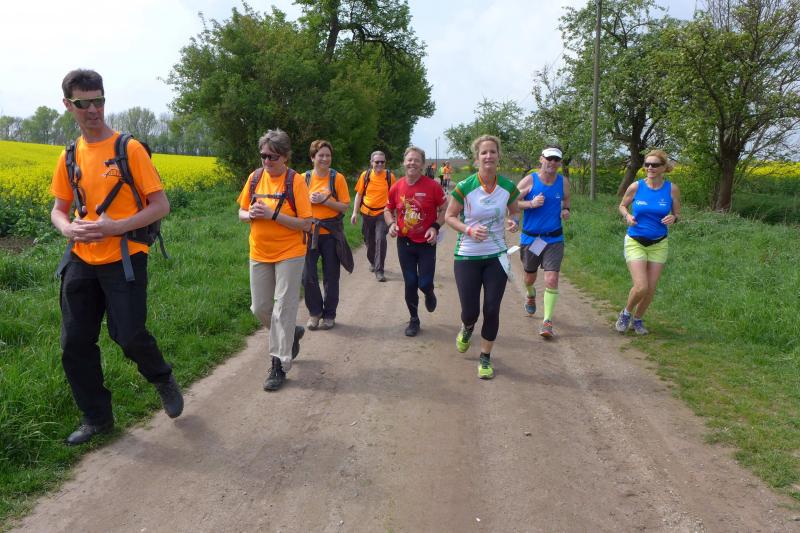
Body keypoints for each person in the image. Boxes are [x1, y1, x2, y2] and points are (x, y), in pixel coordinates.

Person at [50, 69, 183, 446]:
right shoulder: (69, 155)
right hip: (81, 257)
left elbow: (160, 205)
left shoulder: (129, 149)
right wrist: (67, 229)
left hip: (125, 256)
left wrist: (116, 227)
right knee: (75, 343)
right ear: (68, 105)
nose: (93, 109)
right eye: (84, 103)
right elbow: (58, 209)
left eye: (99, 100)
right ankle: (97, 418)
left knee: (127, 334)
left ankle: (162, 378)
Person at [238, 129, 312, 391]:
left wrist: (272, 215)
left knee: (283, 309)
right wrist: (250, 215)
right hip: (259, 251)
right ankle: (290, 332)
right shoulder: (255, 178)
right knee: (259, 307)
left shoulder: (296, 182)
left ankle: (278, 365)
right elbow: (241, 211)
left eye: (273, 157)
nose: (267, 161)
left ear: (285, 157)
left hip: (290, 252)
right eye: (263, 156)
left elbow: (306, 223)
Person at [445, 134, 520, 380]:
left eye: (492, 152)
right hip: (467, 256)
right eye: (484, 152)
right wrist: (468, 229)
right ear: (477, 158)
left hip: (496, 256)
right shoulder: (465, 186)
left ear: (499, 156)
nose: (488, 156)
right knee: (470, 312)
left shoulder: (507, 187)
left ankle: (485, 357)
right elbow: (449, 217)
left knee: (492, 308)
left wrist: (514, 221)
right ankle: (467, 327)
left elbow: (515, 211)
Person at [615, 149, 681, 335]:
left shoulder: (672, 189)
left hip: (659, 244)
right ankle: (625, 314)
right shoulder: (636, 186)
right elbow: (622, 205)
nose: (650, 167)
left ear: (664, 168)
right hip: (635, 241)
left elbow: (677, 214)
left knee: (650, 289)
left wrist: (674, 218)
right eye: (647, 164)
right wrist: (627, 216)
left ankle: (638, 319)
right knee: (641, 286)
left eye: (655, 165)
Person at [385, 146, 447, 336]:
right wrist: (391, 224)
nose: (412, 163)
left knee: (424, 282)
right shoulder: (396, 187)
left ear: (422, 164)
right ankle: (414, 320)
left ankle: (429, 292)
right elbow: (387, 209)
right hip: (405, 242)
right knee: (410, 282)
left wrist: (435, 227)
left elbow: (445, 209)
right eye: (409, 159)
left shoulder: (433, 186)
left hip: (427, 244)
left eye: (416, 160)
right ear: (404, 162)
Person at [516, 145, 571, 339]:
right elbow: (511, 203)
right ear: (541, 159)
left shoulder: (563, 182)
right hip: (531, 238)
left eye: (556, 160)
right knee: (529, 278)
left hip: (554, 238)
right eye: (549, 158)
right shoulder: (529, 180)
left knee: (551, 279)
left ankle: (547, 321)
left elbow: (566, 200)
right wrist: (530, 203)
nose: (552, 163)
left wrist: (566, 210)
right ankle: (531, 295)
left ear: (560, 163)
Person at [302, 140, 352, 331]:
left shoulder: (337, 178)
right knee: (307, 276)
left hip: (331, 234)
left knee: (331, 276)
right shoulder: (303, 179)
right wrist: (308, 200)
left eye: (328, 155)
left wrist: (325, 201)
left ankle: (329, 315)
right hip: (309, 233)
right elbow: (295, 205)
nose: (325, 159)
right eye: (321, 155)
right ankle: (315, 313)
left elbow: (344, 206)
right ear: (312, 157)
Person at [351, 151, 397, 281]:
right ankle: (373, 261)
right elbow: (359, 195)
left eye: (382, 162)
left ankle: (379, 270)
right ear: (371, 162)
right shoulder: (365, 175)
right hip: (366, 214)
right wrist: (354, 213)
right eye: (377, 162)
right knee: (369, 242)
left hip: (383, 214)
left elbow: (394, 197)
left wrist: (395, 217)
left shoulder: (389, 176)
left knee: (380, 239)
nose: (380, 164)